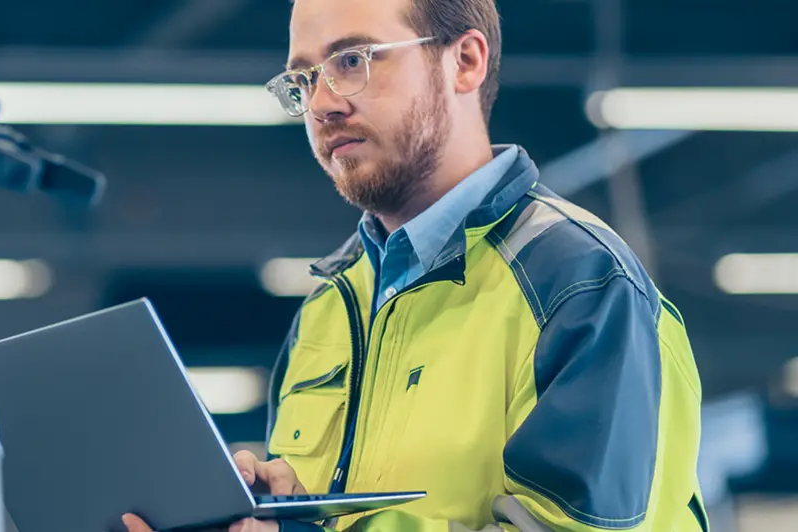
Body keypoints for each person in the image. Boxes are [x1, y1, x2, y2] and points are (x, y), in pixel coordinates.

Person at [124, 0, 709, 530]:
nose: (323, 103)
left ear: (466, 62)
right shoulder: (330, 307)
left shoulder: (580, 285)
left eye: (352, 59)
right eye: (304, 78)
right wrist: (282, 516)